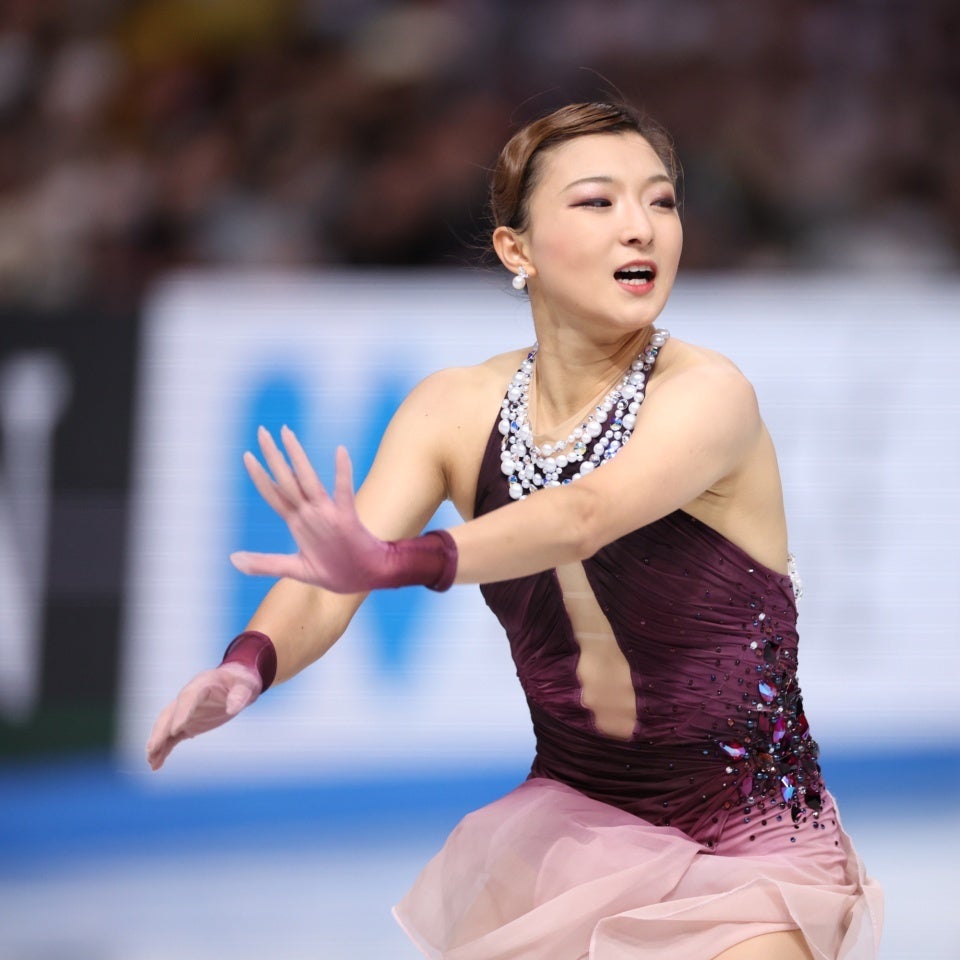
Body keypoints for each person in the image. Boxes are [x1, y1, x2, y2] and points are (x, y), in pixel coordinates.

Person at [145, 102, 883, 960]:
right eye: (598, 203)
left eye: (662, 202)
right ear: (516, 249)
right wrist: (248, 664)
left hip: (753, 842)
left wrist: (400, 561)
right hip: (571, 837)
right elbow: (332, 582)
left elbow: (583, 514)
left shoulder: (709, 393)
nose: (640, 228)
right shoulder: (453, 411)